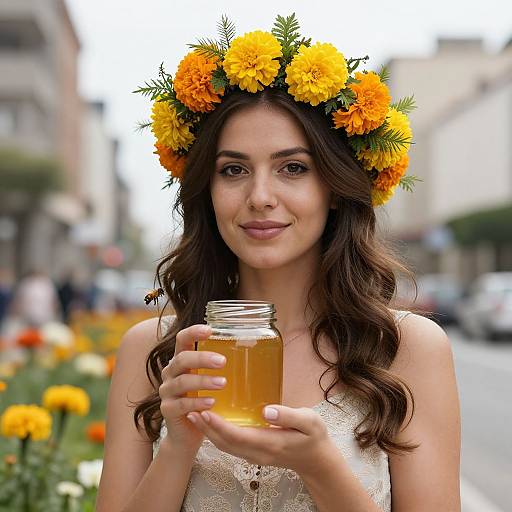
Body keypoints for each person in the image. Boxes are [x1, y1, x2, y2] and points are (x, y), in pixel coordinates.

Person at [96, 15, 461, 512]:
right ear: (208, 190)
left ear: (333, 189)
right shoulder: (153, 352)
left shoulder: (406, 349)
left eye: (293, 168)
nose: (260, 197)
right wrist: (178, 445)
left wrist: (320, 466)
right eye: (234, 170)